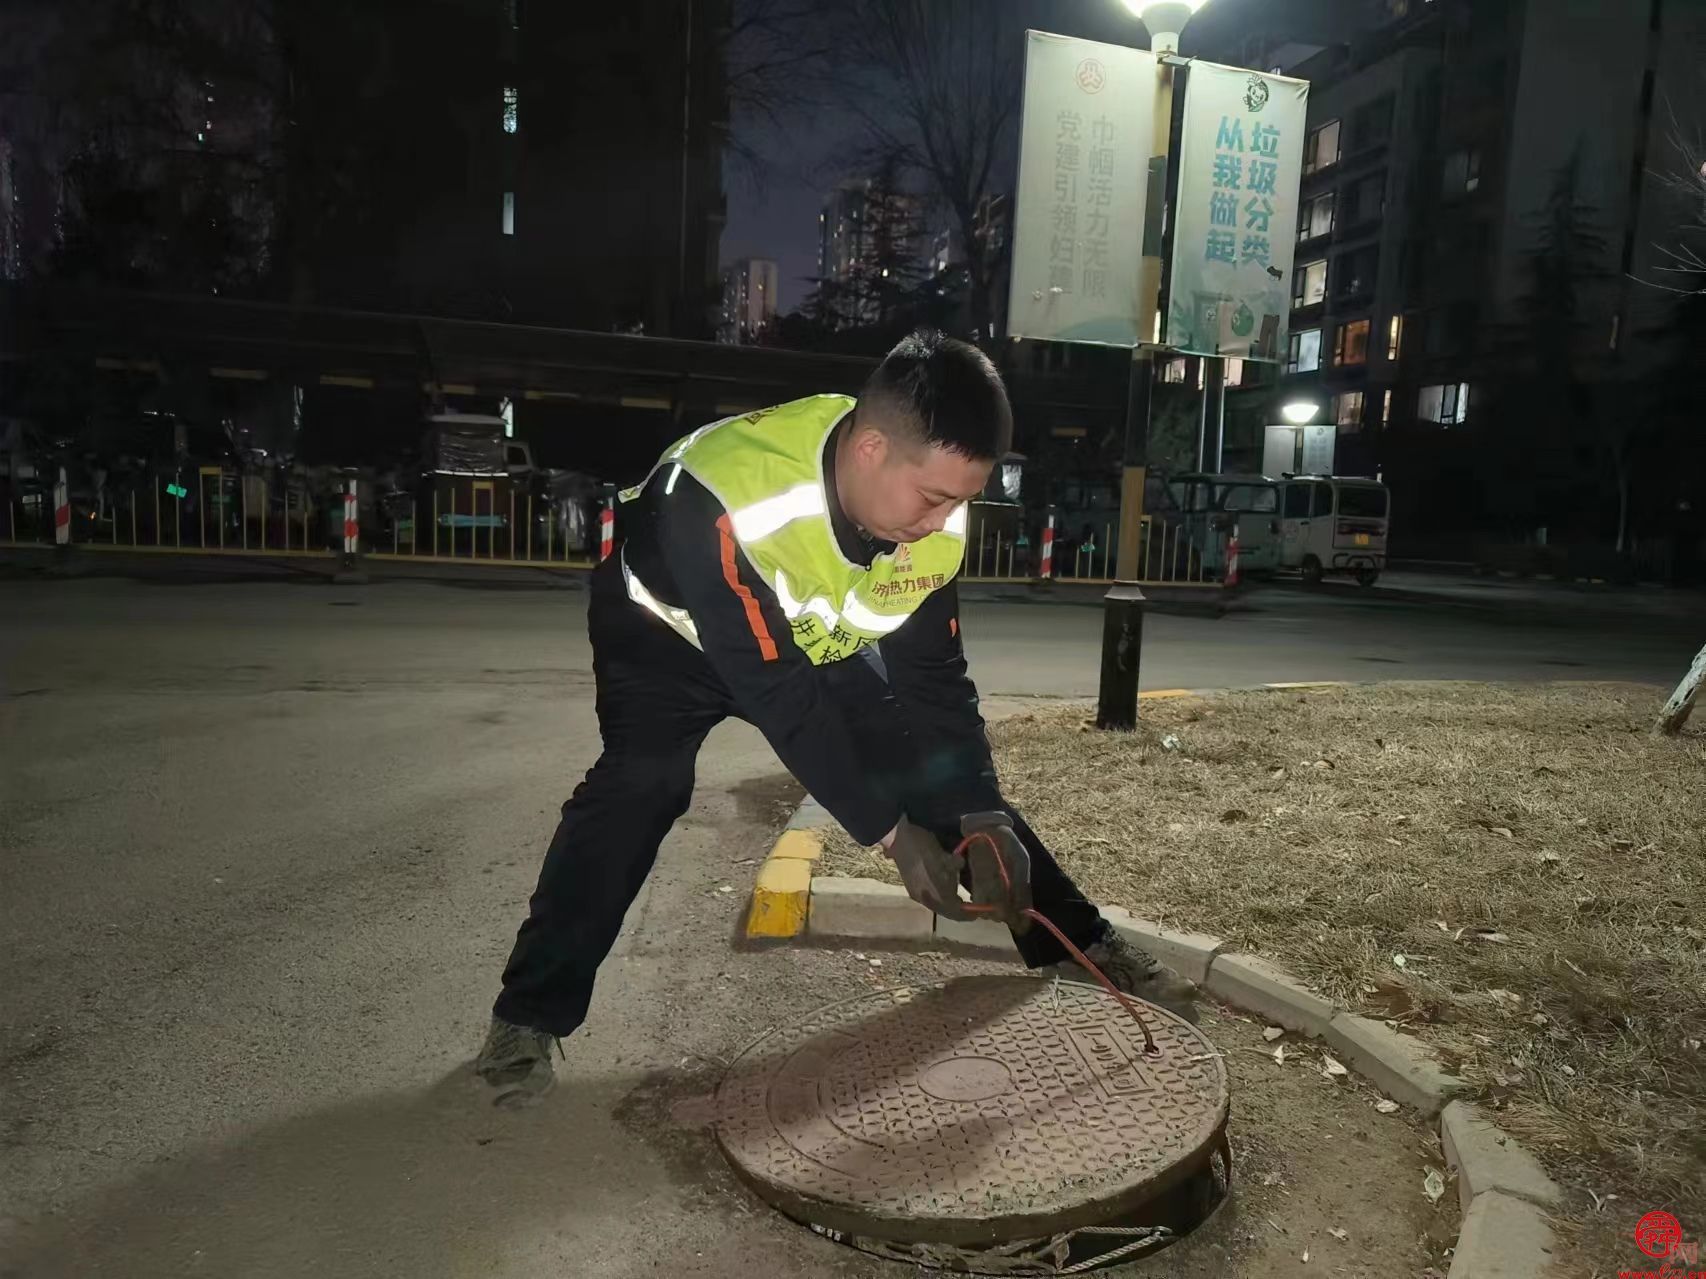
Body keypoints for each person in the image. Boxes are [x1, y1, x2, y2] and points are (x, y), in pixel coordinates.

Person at [475, 330, 1197, 1108]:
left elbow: (934, 682)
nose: (944, 520)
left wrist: (978, 806)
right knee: (639, 786)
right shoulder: (720, 499)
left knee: (935, 774)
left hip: (807, 643)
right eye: (933, 497)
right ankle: (528, 1015)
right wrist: (889, 831)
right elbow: (782, 697)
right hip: (665, 644)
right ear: (870, 448)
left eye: (963, 499)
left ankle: (1080, 945)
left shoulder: (932, 517)